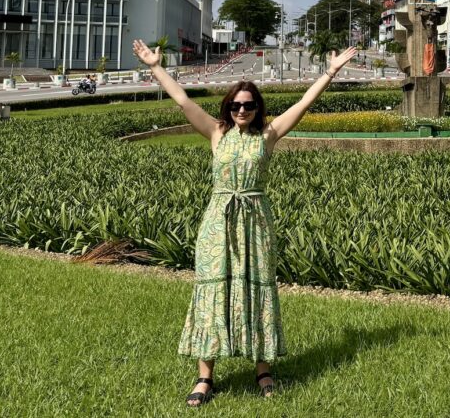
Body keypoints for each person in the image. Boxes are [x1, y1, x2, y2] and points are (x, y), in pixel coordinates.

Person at [133, 38, 358, 407]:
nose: (242, 110)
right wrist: (156, 67)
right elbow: (183, 101)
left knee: (257, 288)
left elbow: (303, 103)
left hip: (256, 221)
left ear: (257, 108)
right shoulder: (216, 132)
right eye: (236, 105)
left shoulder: (268, 136)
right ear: (228, 107)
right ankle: (205, 377)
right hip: (218, 222)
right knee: (213, 290)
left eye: (249, 105)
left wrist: (330, 73)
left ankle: (263, 369)